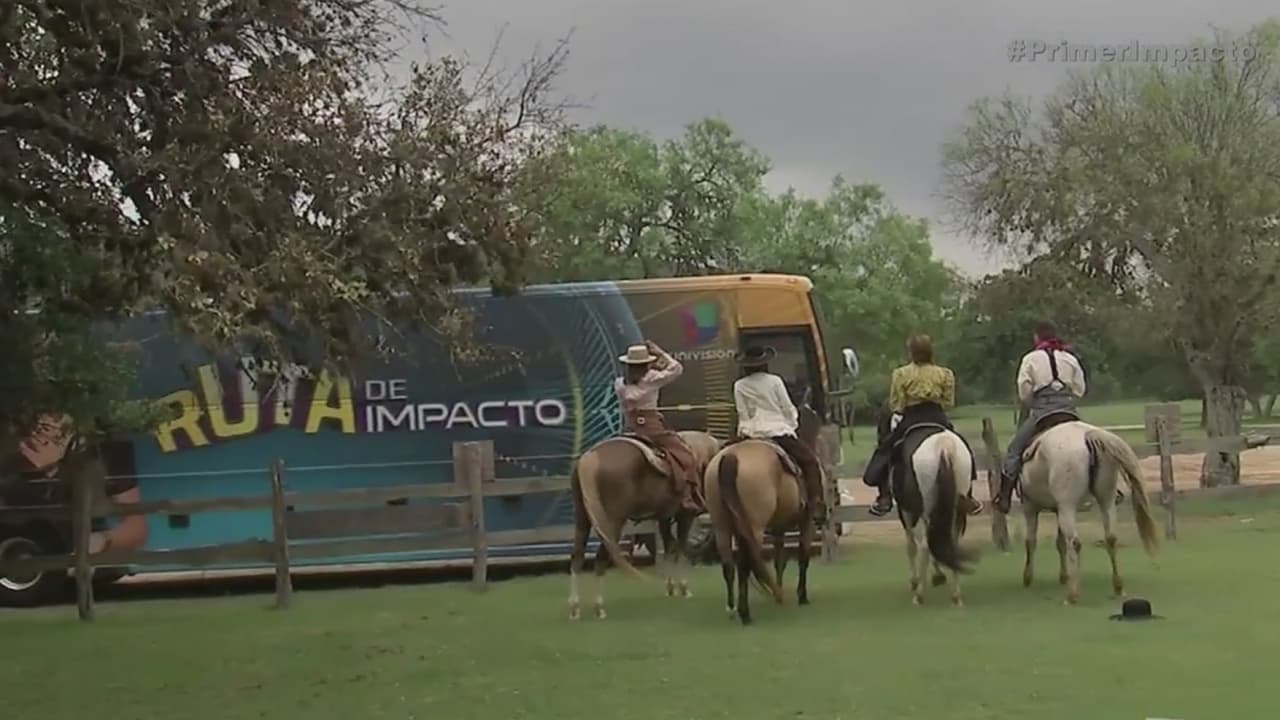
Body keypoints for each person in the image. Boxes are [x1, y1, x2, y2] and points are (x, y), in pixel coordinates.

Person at [862, 334, 983, 517]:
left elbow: (897, 404)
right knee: (962, 446)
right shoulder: (945, 373)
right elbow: (948, 402)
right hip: (937, 417)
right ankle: (968, 495)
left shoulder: (901, 374)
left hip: (911, 418)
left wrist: (903, 407)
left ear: (911, 352)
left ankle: (884, 496)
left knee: (887, 450)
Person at [992, 320, 1087, 514]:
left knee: (1014, 450)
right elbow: (1079, 389)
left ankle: (1005, 496)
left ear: (1036, 337)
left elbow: (1024, 390)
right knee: (1093, 444)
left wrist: (1031, 401)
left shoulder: (1030, 359)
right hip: (1068, 410)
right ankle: (1111, 489)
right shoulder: (1069, 358)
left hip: (1043, 412)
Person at [730, 346, 827, 526]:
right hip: (777, 431)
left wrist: (745, 432)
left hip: (750, 433)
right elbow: (787, 408)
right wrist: (792, 426)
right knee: (810, 462)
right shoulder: (775, 381)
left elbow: (743, 413)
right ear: (765, 363)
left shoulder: (739, 385)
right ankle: (816, 503)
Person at [614, 340, 703, 513]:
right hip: (651, 429)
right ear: (646, 364)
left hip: (629, 429)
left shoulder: (619, 384)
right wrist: (660, 352)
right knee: (685, 456)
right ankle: (687, 496)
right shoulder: (652, 378)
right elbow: (676, 368)